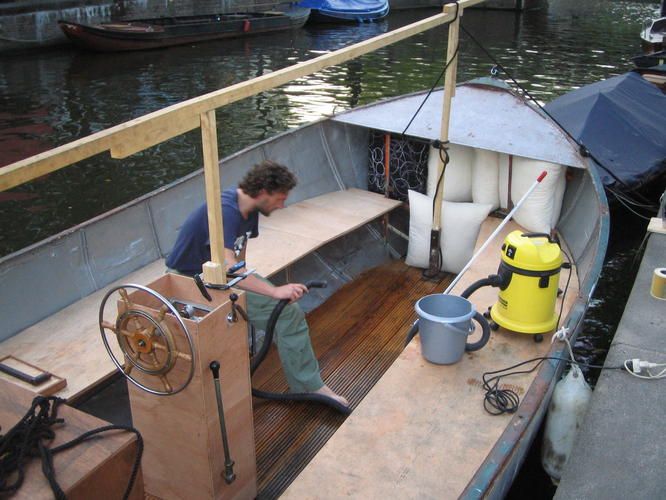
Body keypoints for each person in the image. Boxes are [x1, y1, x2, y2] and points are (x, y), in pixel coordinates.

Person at [166, 160, 349, 409]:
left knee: (286, 312)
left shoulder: (250, 211)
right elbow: (227, 266)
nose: (282, 205)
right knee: (282, 311)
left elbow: (239, 258)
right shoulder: (226, 210)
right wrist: (273, 291)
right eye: (280, 198)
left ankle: (308, 387)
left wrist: (255, 289)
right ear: (263, 192)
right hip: (188, 280)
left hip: (219, 278)